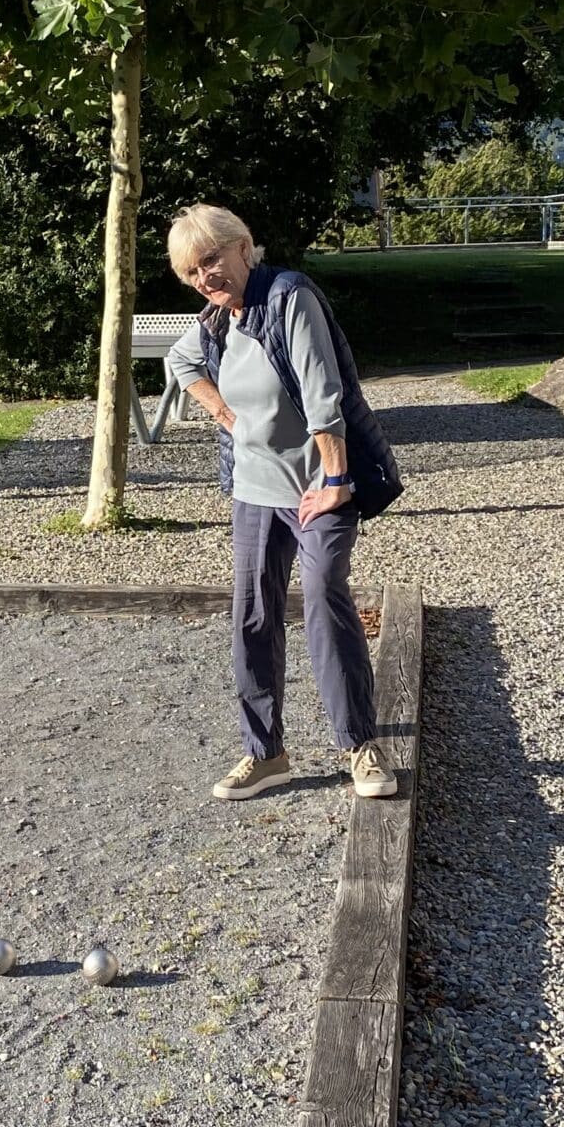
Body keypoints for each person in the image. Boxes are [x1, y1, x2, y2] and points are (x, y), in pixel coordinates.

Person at [164, 204, 403, 803]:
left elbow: (324, 393)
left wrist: (337, 479)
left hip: (320, 489)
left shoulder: (289, 297)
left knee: (324, 597)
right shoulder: (218, 320)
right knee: (252, 615)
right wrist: (225, 415)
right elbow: (181, 361)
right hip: (254, 491)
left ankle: (360, 744)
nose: (205, 277)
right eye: (192, 271)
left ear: (243, 247)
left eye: (211, 259)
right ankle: (265, 753)